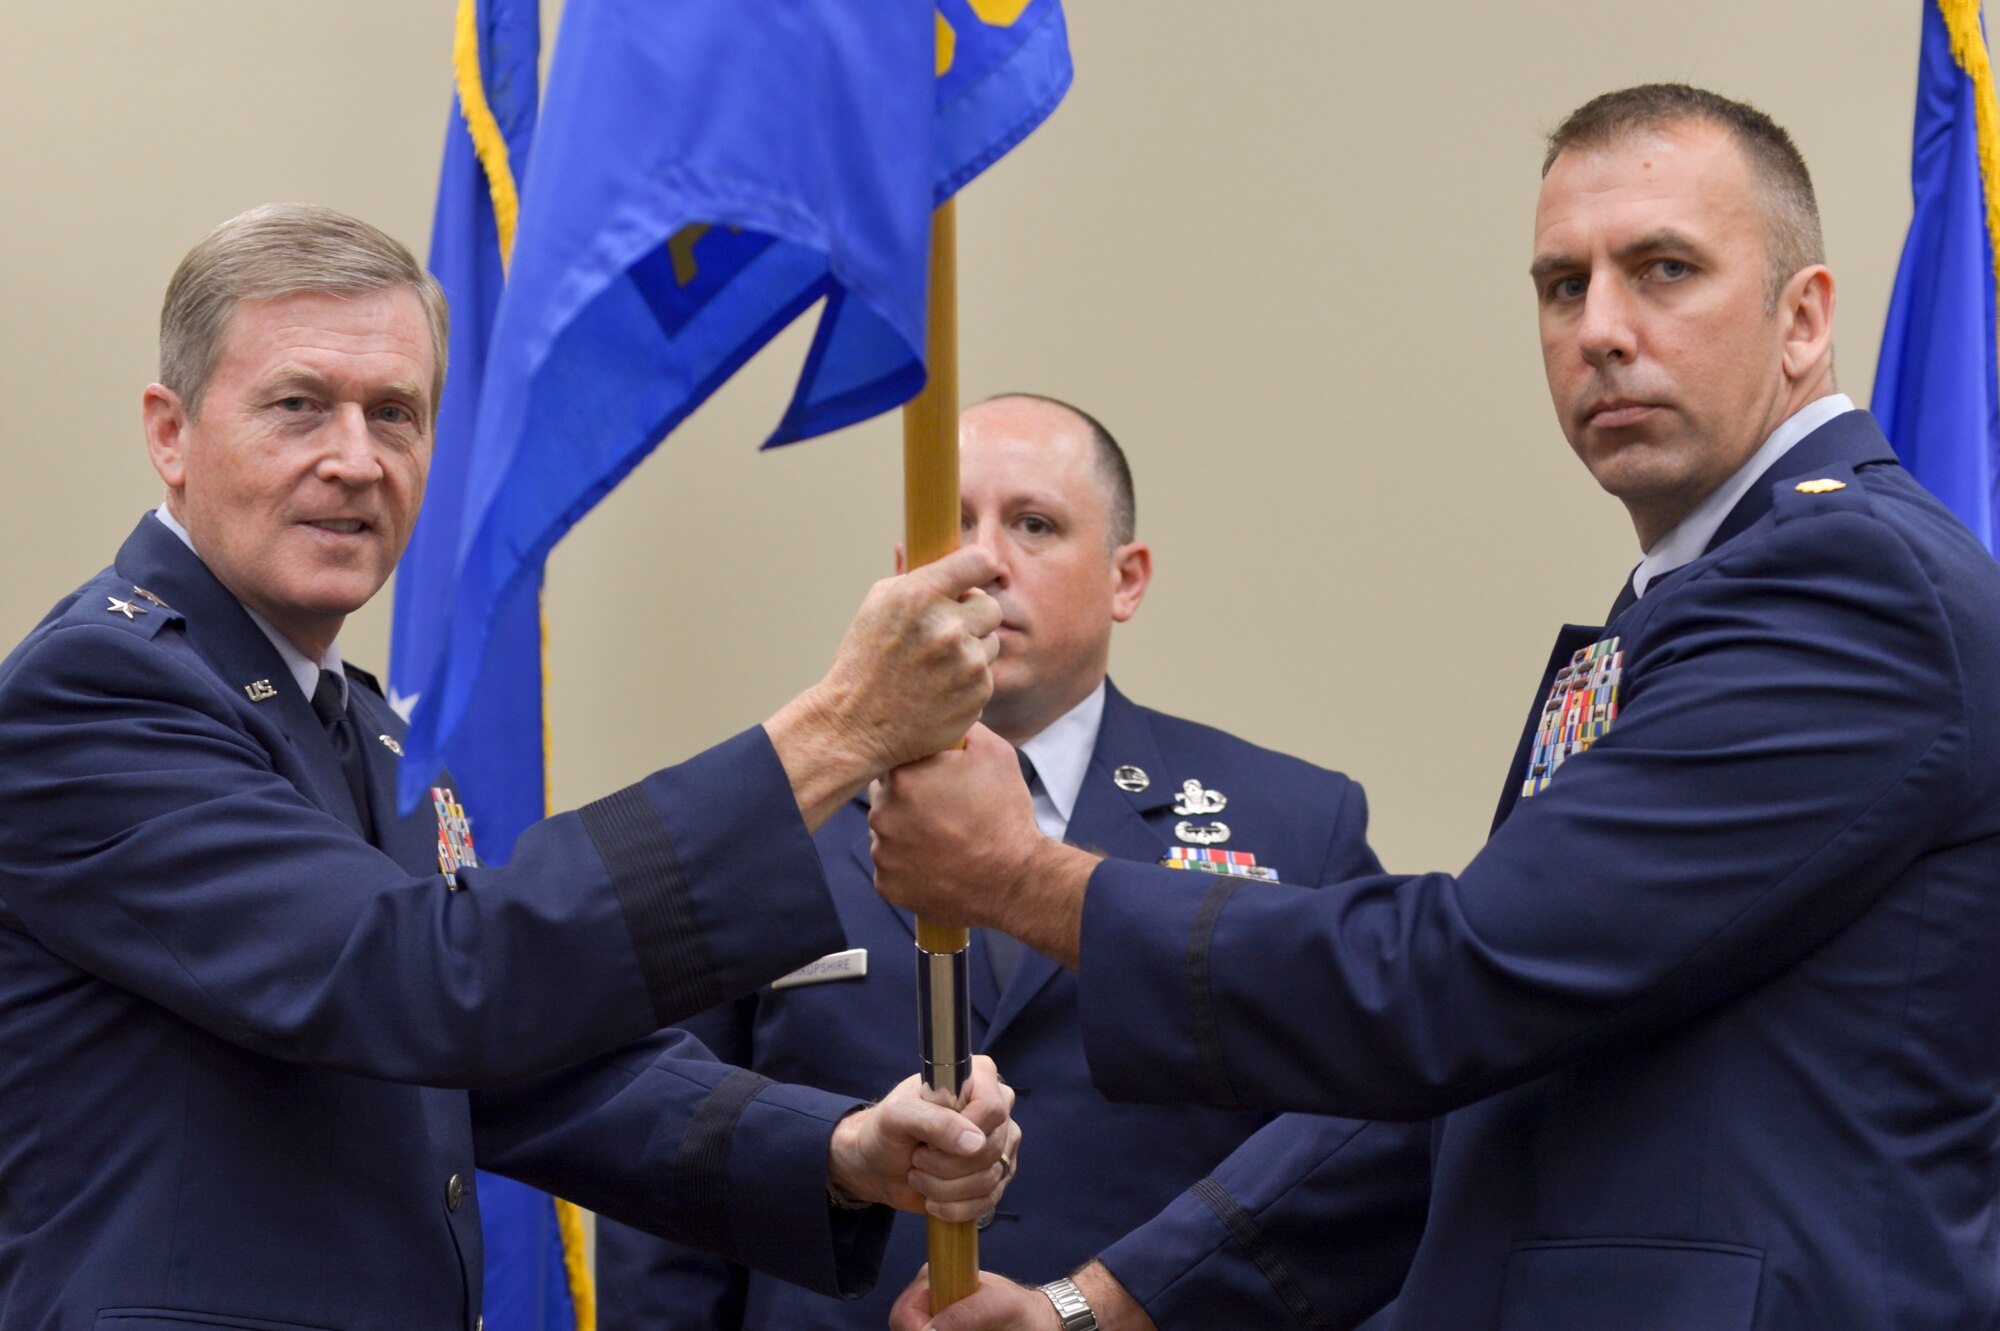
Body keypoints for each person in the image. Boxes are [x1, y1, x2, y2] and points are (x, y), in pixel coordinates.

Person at [872, 84, 2000, 1330]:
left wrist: (1020, 874)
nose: (1601, 329)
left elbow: (1454, 987)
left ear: (1803, 319)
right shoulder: (1696, 597)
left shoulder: (1842, 584)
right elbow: (1493, 1065)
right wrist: (1098, 1306)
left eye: (1663, 269)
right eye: (1562, 285)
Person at [0, 203, 1024, 1331]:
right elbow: (419, 979)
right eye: (298, 406)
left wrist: (833, 1148)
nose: (354, 459)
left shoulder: (365, 726)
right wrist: (835, 733)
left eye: (396, 414)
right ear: (170, 431)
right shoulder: (100, 690)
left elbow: (515, 1071)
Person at [594, 393, 1397, 1329]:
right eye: (954, 528)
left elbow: (1363, 1161)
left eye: (1035, 525)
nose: (985, 564)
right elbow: (673, 1192)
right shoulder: (773, 828)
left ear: (1125, 578)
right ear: (904, 579)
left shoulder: (1297, 825)